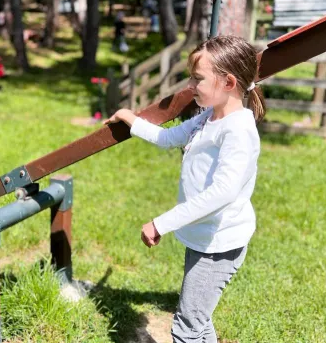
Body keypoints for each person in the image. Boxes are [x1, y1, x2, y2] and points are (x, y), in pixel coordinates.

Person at [103, 36, 266, 343]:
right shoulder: (209, 117)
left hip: (219, 245)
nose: (191, 85)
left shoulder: (238, 131)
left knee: (186, 327)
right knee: (199, 321)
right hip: (205, 238)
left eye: (198, 78)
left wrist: (160, 223)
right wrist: (131, 120)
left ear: (228, 82)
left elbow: (222, 193)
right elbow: (168, 138)